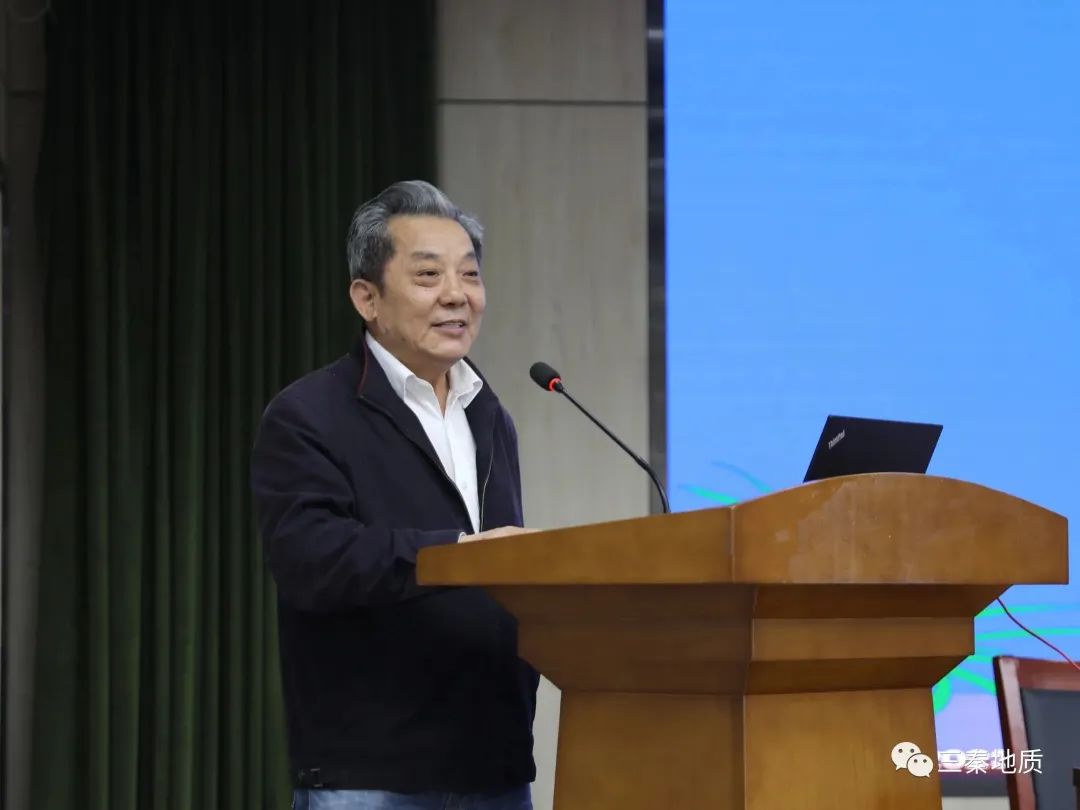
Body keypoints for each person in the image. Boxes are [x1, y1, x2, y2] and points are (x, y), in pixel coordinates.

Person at [251, 180, 540, 810]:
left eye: (469, 275)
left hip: (492, 762)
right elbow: (311, 561)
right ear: (367, 298)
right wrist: (459, 554)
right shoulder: (309, 414)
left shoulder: (489, 415)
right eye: (429, 275)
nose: (457, 295)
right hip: (371, 770)